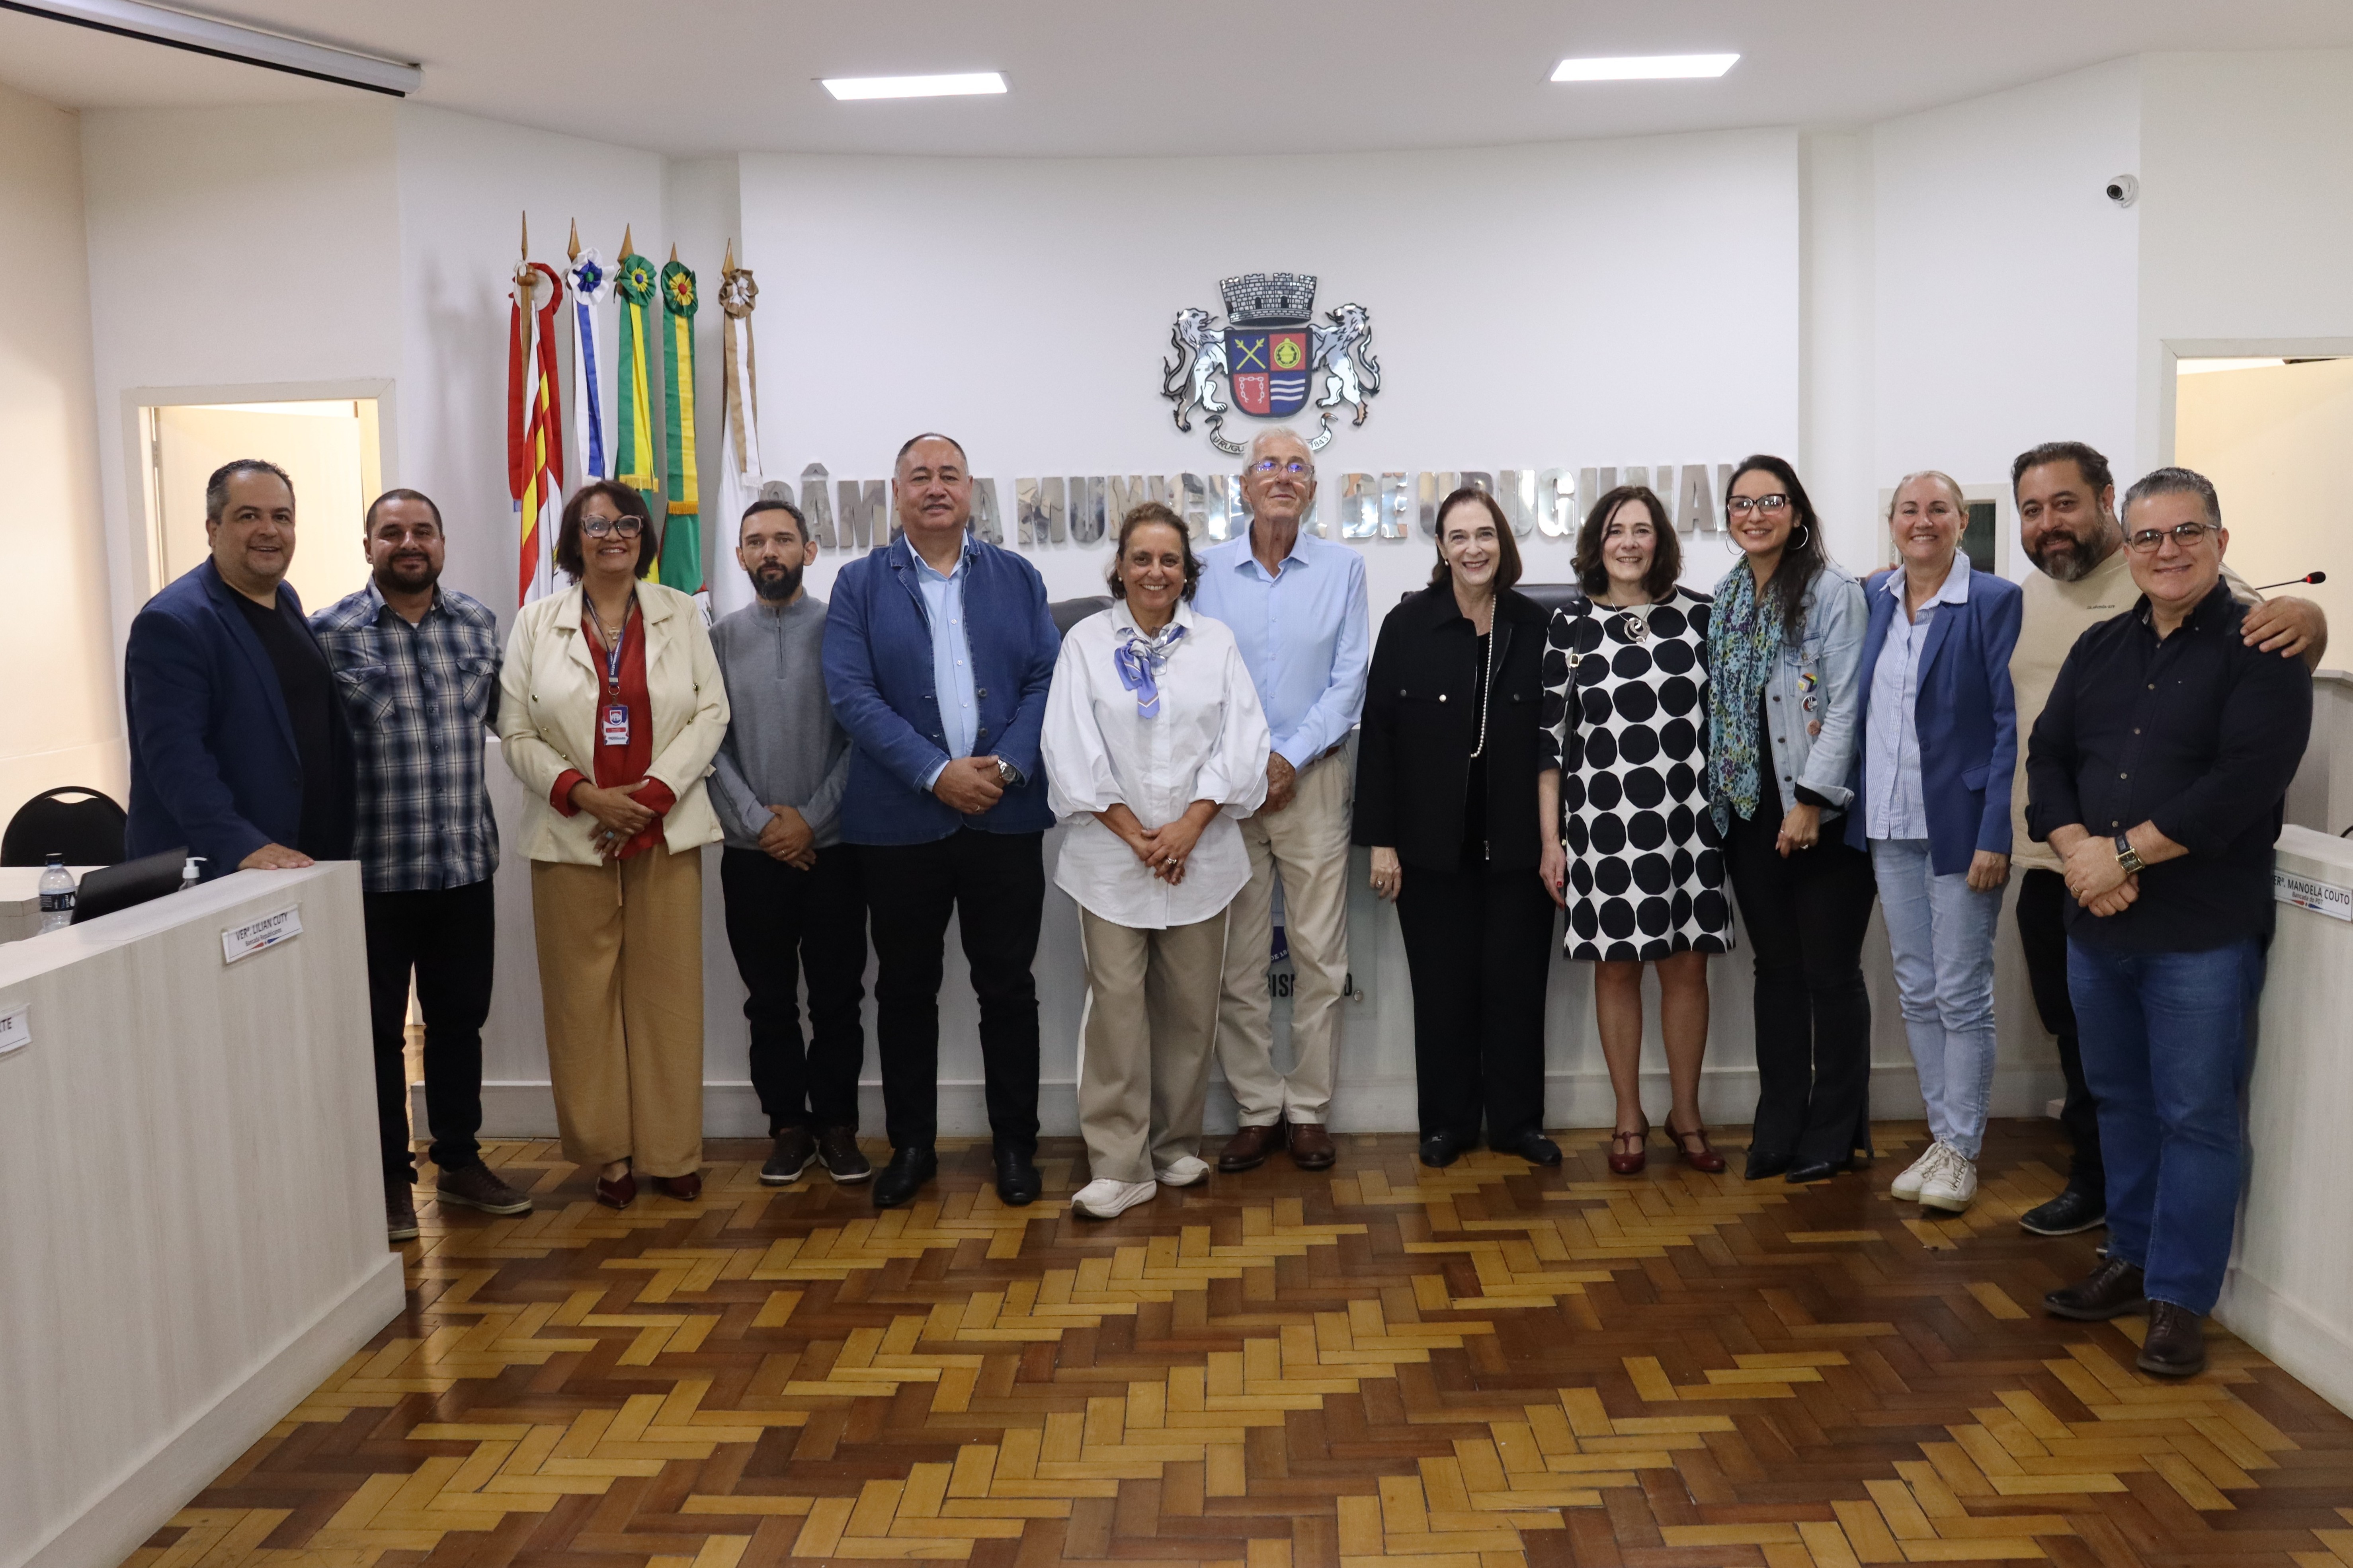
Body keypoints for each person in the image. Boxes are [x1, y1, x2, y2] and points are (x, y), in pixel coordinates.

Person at [2026, 466, 2310, 1377]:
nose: (2166, 550)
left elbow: (2241, 783)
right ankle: (2131, 1256)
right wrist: (2078, 851)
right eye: (2147, 536)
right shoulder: (2102, 646)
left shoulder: (2264, 644)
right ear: (2128, 543)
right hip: (2097, 926)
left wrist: (2125, 854)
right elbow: (2048, 756)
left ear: (2220, 541)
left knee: (2195, 1116)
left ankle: (2179, 1298)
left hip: (2200, 933)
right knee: (2123, 1102)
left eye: (2185, 532)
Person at [821, 433, 1059, 1210]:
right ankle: (913, 1145)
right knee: (904, 989)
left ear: (970, 492)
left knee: (1009, 988)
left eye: (948, 475)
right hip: (898, 823)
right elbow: (852, 695)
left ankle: (1016, 1146)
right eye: (918, 476)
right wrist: (936, 772)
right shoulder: (859, 585)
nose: (934, 487)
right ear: (897, 494)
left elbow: (1044, 676)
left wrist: (1007, 767)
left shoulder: (1018, 577)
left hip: (1005, 813)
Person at [498, 480, 729, 1211]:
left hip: (667, 830)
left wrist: (653, 799)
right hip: (570, 833)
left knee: (667, 997)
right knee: (581, 1001)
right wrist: (585, 794)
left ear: (642, 537)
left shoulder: (680, 613)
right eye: (594, 525)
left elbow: (712, 712)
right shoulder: (536, 623)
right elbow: (516, 732)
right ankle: (610, 1155)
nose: (613, 535)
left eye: (626, 522)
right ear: (573, 540)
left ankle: (671, 1151)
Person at [1043, 503, 1270, 1219]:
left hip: (1199, 859)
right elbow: (1069, 746)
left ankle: (1172, 1148)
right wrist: (1140, 836)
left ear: (1186, 571)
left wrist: (1188, 827)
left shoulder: (1217, 643)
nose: (1155, 571)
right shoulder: (1083, 642)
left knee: (1189, 1015)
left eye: (1169, 560)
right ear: (1119, 567)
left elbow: (1244, 743)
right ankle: (1118, 1163)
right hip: (1111, 865)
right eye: (1141, 558)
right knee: (1115, 1013)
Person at [314, 489, 531, 1242]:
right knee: (376, 1034)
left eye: (424, 531)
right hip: (371, 877)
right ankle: (387, 1181)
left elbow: (523, 722)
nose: (410, 543)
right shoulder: (329, 635)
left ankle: (462, 1162)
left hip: (463, 866)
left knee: (459, 1025)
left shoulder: (477, 624)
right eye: (393, 532)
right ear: (367, 544)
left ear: (443, 542)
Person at [1359, 488, 1558, 1169]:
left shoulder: (1536, 625)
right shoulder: (1408, 625)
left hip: (1516, 845)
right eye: (1458, 537)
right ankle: (1444, 1124)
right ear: (1440, 549)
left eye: (1485, 535)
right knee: (1442, 993)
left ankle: (1517, 1124)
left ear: (1502, 543)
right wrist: (1381, 842)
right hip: (1428, 847)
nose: (1473, 549)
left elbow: (1556, 741)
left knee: (1516, 987)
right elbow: (1379, 738)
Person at [1843, 473, 2023, 1214]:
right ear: (1891, 523)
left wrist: (1996, 831)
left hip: (1961, 828)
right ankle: (1942, 1136)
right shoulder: (1873, 599)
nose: (1923, 522)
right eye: (1909, 510)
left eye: (1938, 510)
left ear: (1961, 523)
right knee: (1916, 989)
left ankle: (1963, 1150)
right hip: (1889, 824)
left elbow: (2013, 722)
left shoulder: (1993, 601)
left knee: (1961, 992)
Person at [1192, 428, 1370, 1173]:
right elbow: (1196, 679)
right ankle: (1258, 1109)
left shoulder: (1344, 569)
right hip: (1226, 790)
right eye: (1269, 464)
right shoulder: (1203, 572)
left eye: (1299, 467)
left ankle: (1309, 1111)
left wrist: (1286, 759)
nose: (1284, 477)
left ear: (1313, 488)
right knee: (1237, 964)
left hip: (1314, 780)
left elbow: (1349, 678)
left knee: (1320, 958)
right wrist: (1249, 766)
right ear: (1243, 486)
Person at [1540, 485, 1730, 1176]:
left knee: (1686, 971)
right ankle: (1628, 1116)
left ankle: (1686, 1113)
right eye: (1616, 529)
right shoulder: (1568, 624)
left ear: (1661, 542)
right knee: (1616, 971)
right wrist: (1548, 842)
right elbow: (1550, 748)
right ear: (1597, 542)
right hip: (1600, 827)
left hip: (1686, 825)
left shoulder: (1702, 618)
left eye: (1642, 530)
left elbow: (1727, 726)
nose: (1628, 542)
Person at [1706, 455, 1875, 1185]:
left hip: (1820, 811)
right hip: (1747, 811)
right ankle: (1778, 1124)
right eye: (1741, 504)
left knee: (1830, 976)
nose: (1754, 514)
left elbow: (1847, 702)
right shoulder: (1726, 596)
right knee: (1775, 972)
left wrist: (1811, 799)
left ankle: (1835, 1132)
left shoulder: (1832, 593)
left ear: (1797, 513)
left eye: (1770, 501)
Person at [709, 497, 870, 1189]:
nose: (769, 551)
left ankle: (836, 1125)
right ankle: (787, 1126)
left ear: (809, 549)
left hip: (834, 852)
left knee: (837, 998)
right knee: (767, 1001)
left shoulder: (845, 632)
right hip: (751, 858)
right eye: (755, 542)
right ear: (741, 556)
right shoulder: (715, 641)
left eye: (782, 539)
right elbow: (708, 744)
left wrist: (810, 821)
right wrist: (761, 824)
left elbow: (864, 737)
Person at [125, 458, 352, 878]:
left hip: (297, 861)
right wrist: (242, 845)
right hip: (221, 869)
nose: (269, 530)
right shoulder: (173, 623)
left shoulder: (285, 598)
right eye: (249, 516)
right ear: (213, 530)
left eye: (281, 517)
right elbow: (175, 759)